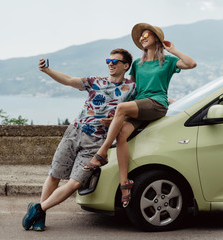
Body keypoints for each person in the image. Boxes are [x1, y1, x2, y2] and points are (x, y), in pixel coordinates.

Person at [83, 23, 197, 208]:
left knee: (121, 109)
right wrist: (116, 117)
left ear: (156, 39)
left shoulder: (167, 61)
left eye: (146, 35)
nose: (142, 38)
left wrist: (173, 49)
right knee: (121, 135)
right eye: (141, 37)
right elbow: (132, 91)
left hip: (157, 104)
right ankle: (124, 183)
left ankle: (101, 153)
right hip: (139, 106)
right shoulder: (137, 64)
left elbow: (191, 64)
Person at [22, 48, 136, 231]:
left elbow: (139, 111)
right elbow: (68, 80)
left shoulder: (131, 88)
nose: (110, 64)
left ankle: (38, 208)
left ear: (126, 66)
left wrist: (117, 121)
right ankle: (40, 215)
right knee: (54, 175)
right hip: (75, 132)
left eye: (115, 61)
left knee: (75, 182)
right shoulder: (95, 81)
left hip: (96, 143)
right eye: (108, 60)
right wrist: (47, 71)